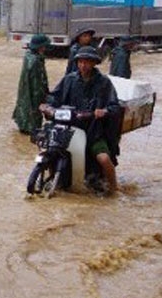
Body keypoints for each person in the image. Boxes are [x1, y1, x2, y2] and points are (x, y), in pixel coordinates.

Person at [42, 45, 121, 194]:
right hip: (69, 128)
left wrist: (103, 111)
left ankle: (114, 188)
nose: (83, 65)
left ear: (94, 63)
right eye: (80, 62)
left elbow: (115, 106)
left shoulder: (104, 83)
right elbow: (54, 97)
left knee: (103, 159)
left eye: (87, 62)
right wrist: (47, 106)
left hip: (94, 130)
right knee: (47, 147)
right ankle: (54, 177)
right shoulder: (69, 79)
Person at [12, 33, 51, 134]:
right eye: (45, 46)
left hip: (24, 96)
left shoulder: (28, 55)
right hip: (32, 100)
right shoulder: (36, 61)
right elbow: (37, 86)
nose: (46, 48)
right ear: (41, 47)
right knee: (32, 131)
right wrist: (44, 100)